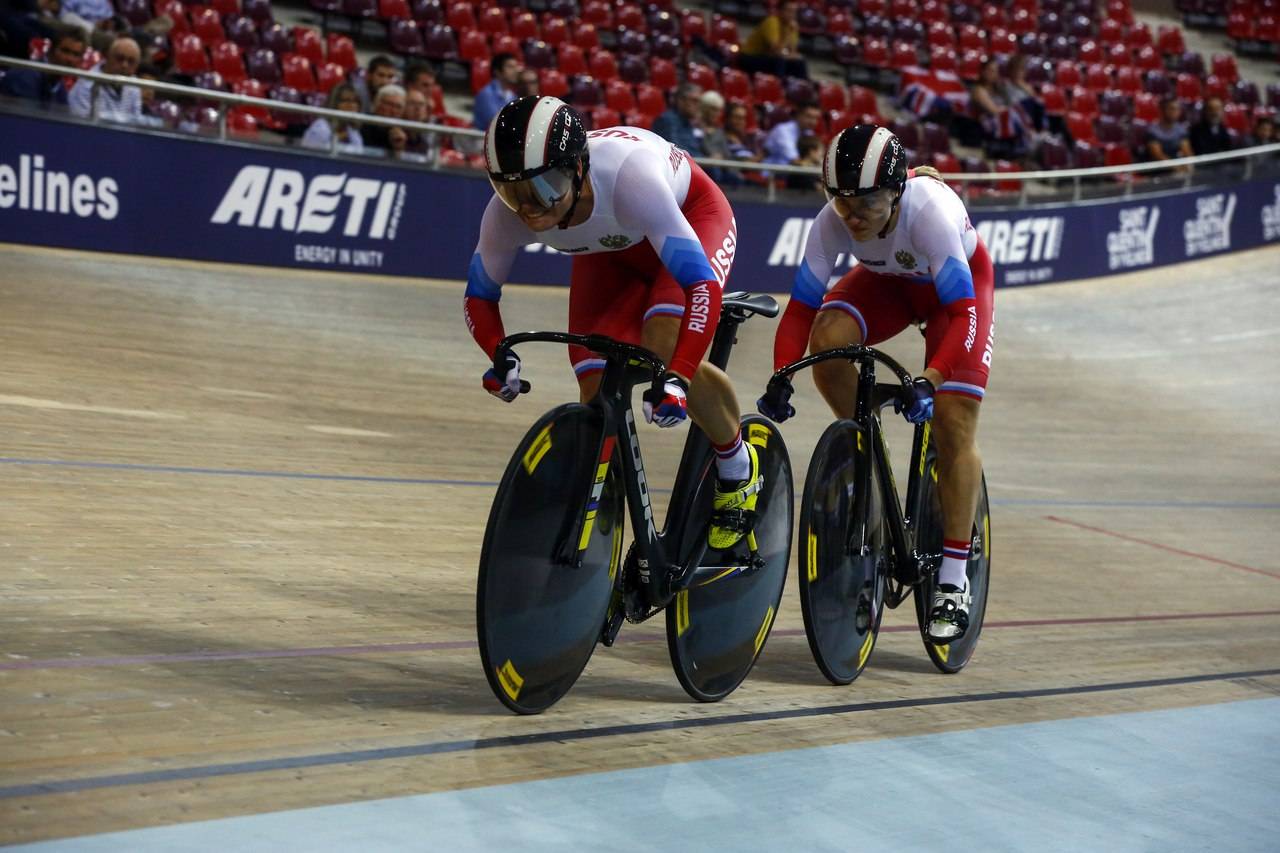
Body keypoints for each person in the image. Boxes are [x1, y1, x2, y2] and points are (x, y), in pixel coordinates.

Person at [467, 96, 759, 549]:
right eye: (512, 192)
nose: (530, 210)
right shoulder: (507, 214)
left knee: (662, 340)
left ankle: (737, 464)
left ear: (578, 168)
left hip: (691, 215)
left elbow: (701, 287)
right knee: (594, 390)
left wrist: (678, 378)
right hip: (611, 248)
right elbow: (479, 296)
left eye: (544, 189)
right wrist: (497, 353)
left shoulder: (631, 179)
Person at [758, 125, 994, 643]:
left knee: (953, 427)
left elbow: (962, 315)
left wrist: (931, 381)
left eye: (865, 203)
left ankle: (953, 580)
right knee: (830, 341)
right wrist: (782, 373)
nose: (853, 216)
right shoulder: (834, 220)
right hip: (887, 286)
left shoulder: (928, 214)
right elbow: (801, 310)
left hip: (953, 297)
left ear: (897, 192)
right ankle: (869, 455)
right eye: (841, 203)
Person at [0, 22, 83, 106]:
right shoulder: (26, 76)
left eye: (76, 54)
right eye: (65, 51)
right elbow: (25, 118)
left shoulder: (60, 87)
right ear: (51, 50)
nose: (70, 59)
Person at [67, 34, 142, 123]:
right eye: (120, 59)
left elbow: (136, 122)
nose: (124, 65)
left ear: (137, 65)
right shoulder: (87, 84)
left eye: (131, 61)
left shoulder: (134, 85)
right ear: (107, 57)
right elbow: (82, 125)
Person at [739, 0, 807, 79]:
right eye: (789, 11)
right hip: (749, 57)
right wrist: (788, 33)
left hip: (768, 57)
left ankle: (803, 85)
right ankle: (779, 85)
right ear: (780, 11)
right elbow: (776, 51)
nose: (792, 15)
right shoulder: (772, 22)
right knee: (779, 60)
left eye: (794, 12)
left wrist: (796, 56)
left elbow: (792, 52)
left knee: (799, 61)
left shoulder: (792, 26)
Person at [301, 82, 364, 153]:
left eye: (355, 101)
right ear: (334, 103)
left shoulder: (353, 132)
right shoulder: (321, 128)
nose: (351, 105)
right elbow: (307, 157)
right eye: (346, 100)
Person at [651, 83, 707, 157]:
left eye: (700, 102)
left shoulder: (688, 123)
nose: (698, 105)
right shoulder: (667, 120)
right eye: (694, 100)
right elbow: (676, 152)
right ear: (681, 100)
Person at [762, 101, 821, 165]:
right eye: (809, 117)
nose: (813, 122)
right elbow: (796, 162)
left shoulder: (809, 133)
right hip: (773, 172)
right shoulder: (783, 131)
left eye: (816, 118)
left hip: (794, 173)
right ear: (798, 115)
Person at [473, 52, 519, 130]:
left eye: (515, 67)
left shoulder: (513, 96)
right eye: (510, 67)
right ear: (497, 71)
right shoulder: (487, 94)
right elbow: (495, 124)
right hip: (481, 138)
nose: (515, 71)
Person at [362, 83, 407, 156]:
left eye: (398, 107)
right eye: (389, 105)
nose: (394, 111)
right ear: (377, 103)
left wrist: (399, 148)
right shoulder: (362, 123)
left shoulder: (406, 130)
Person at [1145, 96, 1192, 164]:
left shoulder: (1181, 129)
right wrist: (1176, 167)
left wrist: (1189, 164)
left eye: (1177, 109)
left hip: (1179, 166)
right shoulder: (1152, 131)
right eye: (1171, 109)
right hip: (1161, 170)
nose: (1175, 112)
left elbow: (1187, 151)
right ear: (1162, 110)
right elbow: (1158, 155)